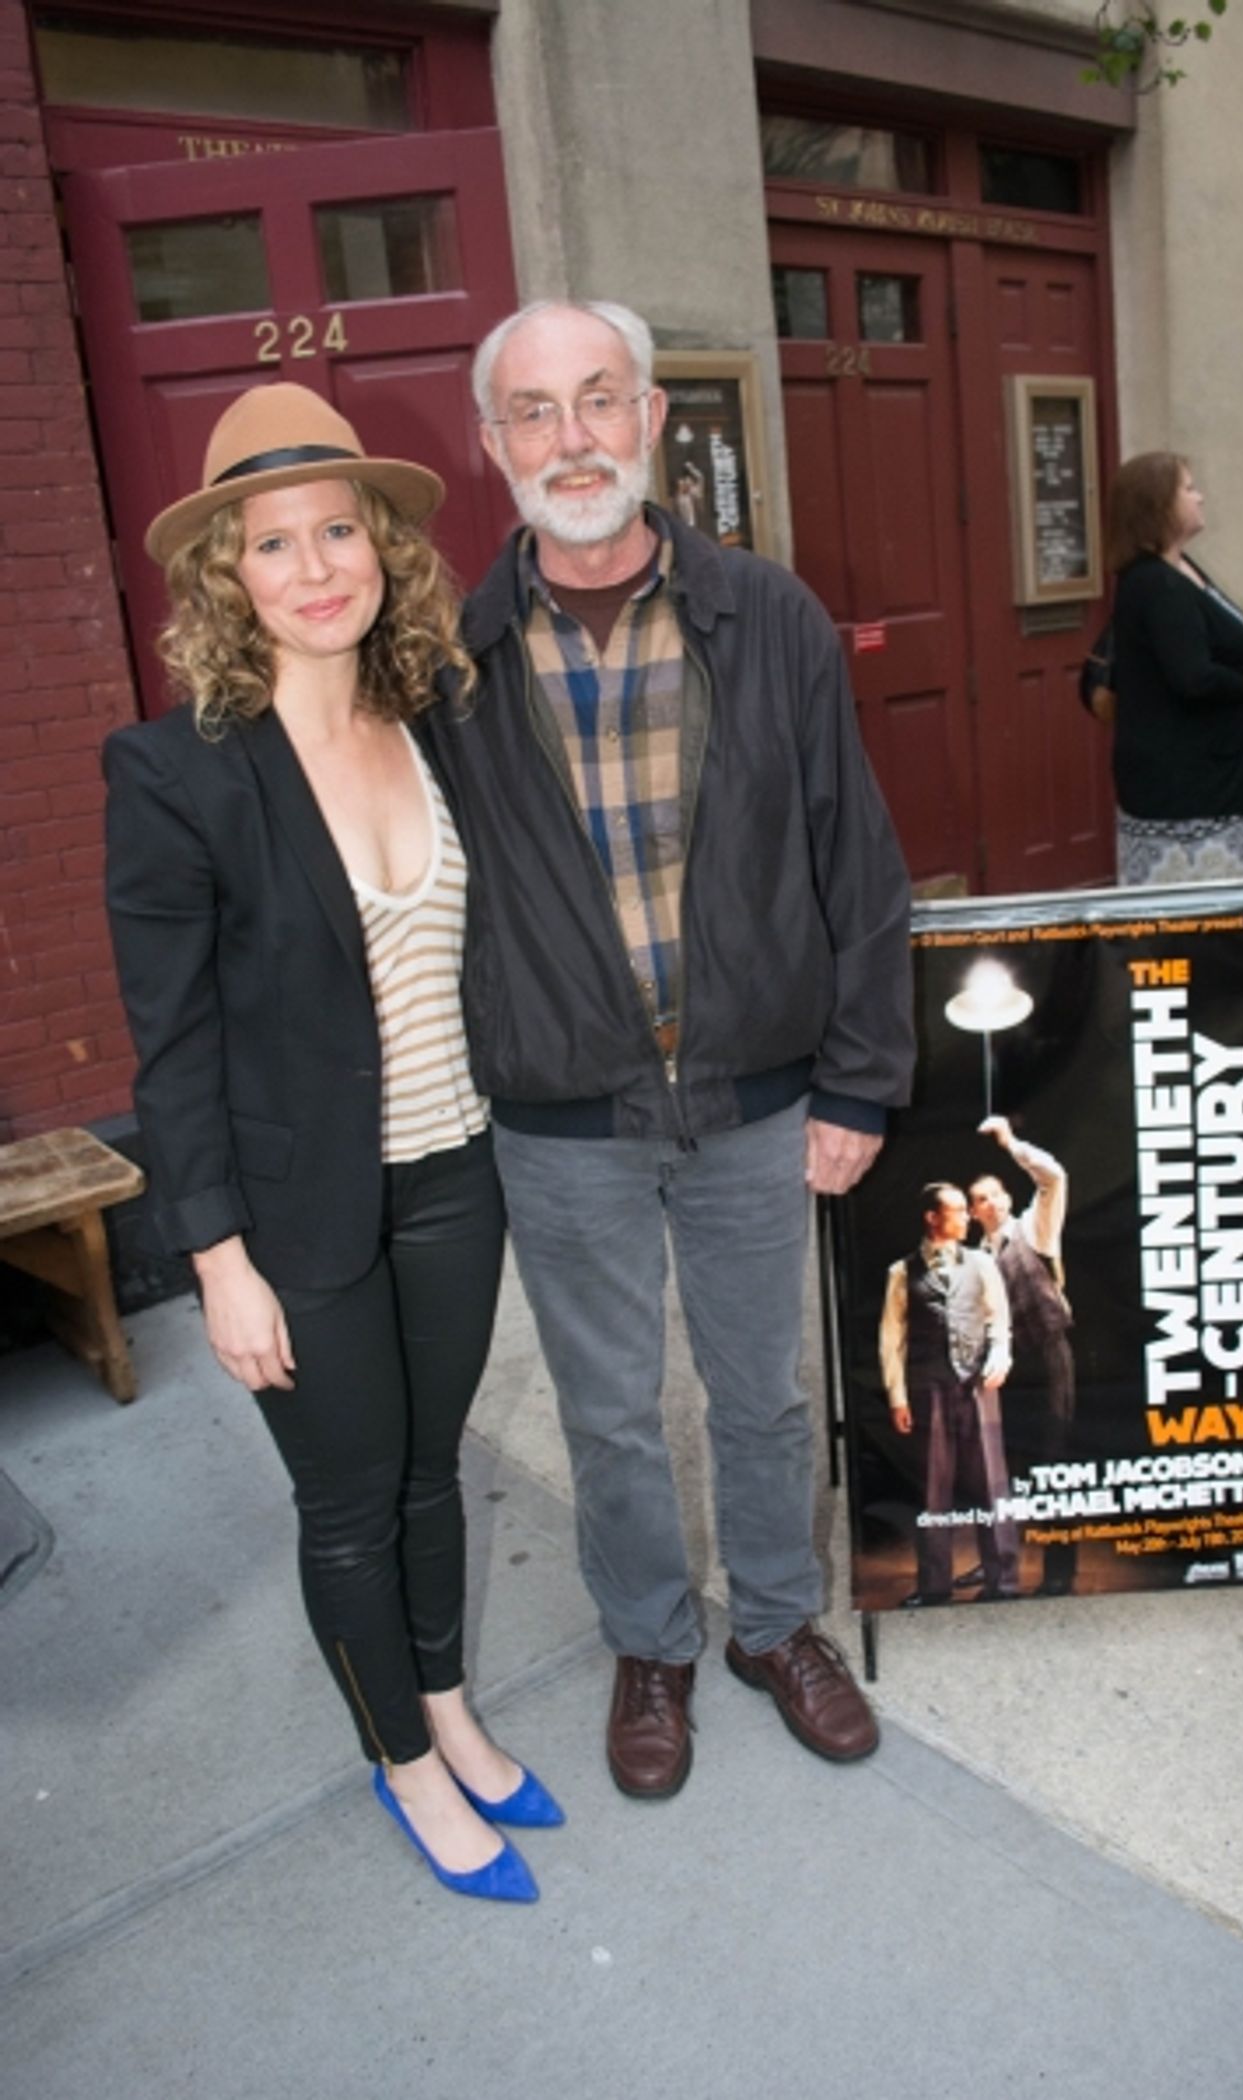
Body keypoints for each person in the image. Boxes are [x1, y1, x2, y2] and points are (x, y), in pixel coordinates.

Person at [420, 298, 913, 1800]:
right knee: (612, 1414)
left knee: (761, 1394)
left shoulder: (767, 618)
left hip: (761, 1101)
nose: (571, 438)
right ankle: (652, 1640)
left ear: (649, 419)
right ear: (492, 442)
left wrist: (860, 1076)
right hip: (565, 1116)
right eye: (534, 410)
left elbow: (858, 863)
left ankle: (773, 1623)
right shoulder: (443, 661)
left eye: (598, 399)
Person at [104, 384, 562, 1904]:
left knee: (430, 1468)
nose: (315, 567)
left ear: (383, 550)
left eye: (338, 530)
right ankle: (405, 1763)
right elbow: (171, 1051)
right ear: (228, 577)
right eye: (274, 542)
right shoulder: (177, 775)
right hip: (299, 1219)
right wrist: (218, 1262)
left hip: (456, 1174)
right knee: (349, 1500)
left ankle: (445, 1705)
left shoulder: (436, 722)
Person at [1106, 452, 1243, 888]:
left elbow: (1200, 641)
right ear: (1158, 504)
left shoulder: (1179, 568)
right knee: (1205, 937)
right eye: (1188, 488)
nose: (1200, 497)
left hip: (1223, 779)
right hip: (1191, 796)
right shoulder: (1154, 583)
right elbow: (1193, 677)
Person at [878, 1184, 1016, 1607]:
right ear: (932, 1218)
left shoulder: (981, 1263)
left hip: (976, 1386)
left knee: (991, 1483)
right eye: (956, 1211)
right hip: (929, 1389)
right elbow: (891, 1339)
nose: (966, 1217)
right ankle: (935, 1585)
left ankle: (1003, 1580)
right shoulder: (902, 1272)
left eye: (964, 1210)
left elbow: (999, 1318)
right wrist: (897, 1396)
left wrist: (1000, 1354)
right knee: (934, 1489)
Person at [969, 1116, 1076, 1597]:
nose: (988, 1203)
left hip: (1048, 1357)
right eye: (978, 1199)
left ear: (1007, 1200)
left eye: (994, 1194)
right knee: (1002, 1469)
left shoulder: (1035, 1230)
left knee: (1054, 1460)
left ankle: (1058, 1571)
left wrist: (1011, 1143)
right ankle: (1000, 1567)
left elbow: (1054, 1177)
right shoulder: (976, 1259)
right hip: (1006, 1370)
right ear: (971, 1212)